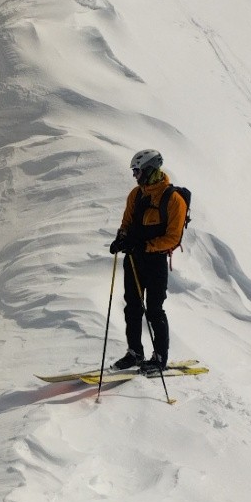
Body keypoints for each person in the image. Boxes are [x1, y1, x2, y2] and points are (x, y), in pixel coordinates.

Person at [108, 148, 187, 374]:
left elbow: (173, 237)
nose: (135, 175)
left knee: (154, 310)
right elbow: (126, 223)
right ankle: (135, 353)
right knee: (132, 307)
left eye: (137, 171)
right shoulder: (136, 194)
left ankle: (159, 358)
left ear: (149, 170)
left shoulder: (174, 199)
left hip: (155, 262)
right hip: (133, 259)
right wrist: (120, 240)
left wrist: (146, 246)